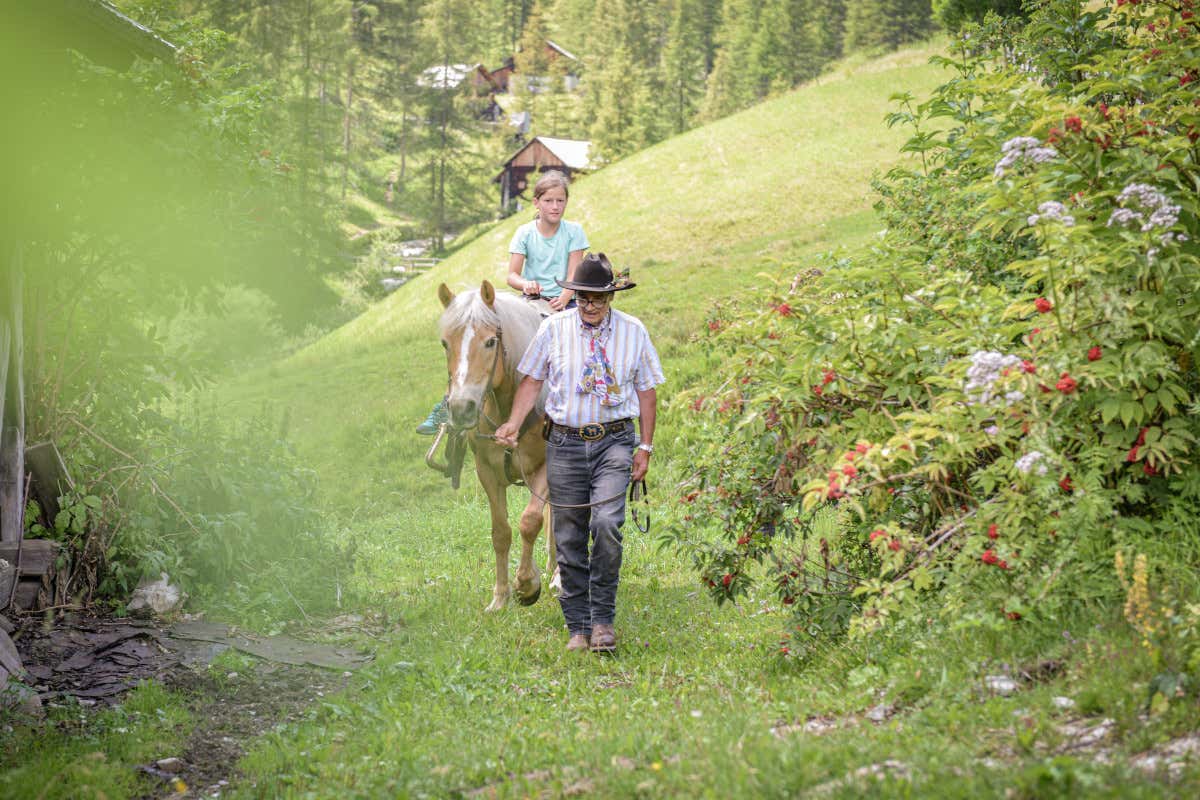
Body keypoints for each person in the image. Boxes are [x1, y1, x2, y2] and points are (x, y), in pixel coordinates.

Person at [495, 252, 664, 654]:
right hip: (566, 442)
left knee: (606, 524)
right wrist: (514, 424)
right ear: (574, 296)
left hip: (615, 441)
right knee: (569, 535)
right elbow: (532, 382)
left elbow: (647, 391)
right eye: (583, 297)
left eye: (598, 299)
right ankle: (578, 626)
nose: (590, 306)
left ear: (611, 298)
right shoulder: (554, 329)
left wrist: (646, 446)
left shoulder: (633, 332)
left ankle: (603, 621)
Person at [417, 170, 588, 435]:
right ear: (536, 203)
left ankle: (582, 408)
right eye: (549, 200)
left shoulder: (573, 232)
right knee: (488, 349)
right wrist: (526, 284)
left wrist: (565, 296)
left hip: (564, 304)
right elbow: (512, 275)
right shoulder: (525, 233)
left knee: (580, 352)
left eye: (560, 201)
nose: (555, 206)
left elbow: (574, 271)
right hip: (532, 303)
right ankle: (446, 404)